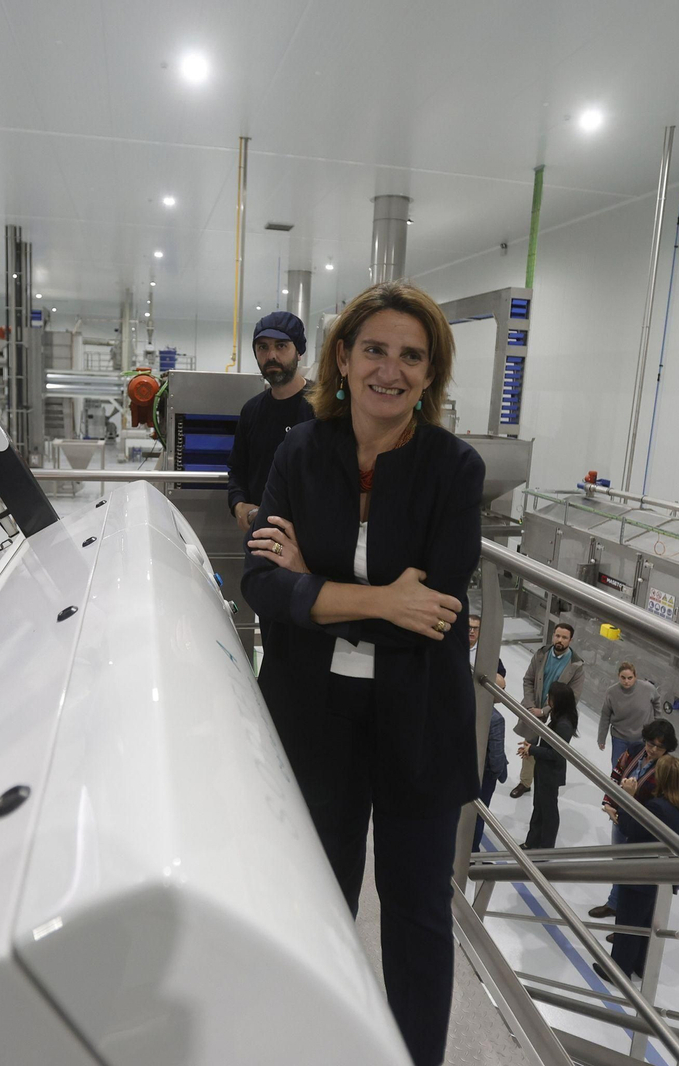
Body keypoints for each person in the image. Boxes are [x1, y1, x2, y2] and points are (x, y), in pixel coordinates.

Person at [241, 280, 484, 1066]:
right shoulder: (299, 451)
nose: (392, 369)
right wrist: (381, 599)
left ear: (431, 374)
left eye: (412, 356)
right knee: (316, 901)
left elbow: (436, 613)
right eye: (374, 349)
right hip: (313, 713)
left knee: (417, 915)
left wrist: (312, 585)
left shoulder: (455, 468)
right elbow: (261, 586)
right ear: (342, 358)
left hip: (419, 715)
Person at [226, 311, 315, 534]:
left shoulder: (324, 406)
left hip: (311, 540)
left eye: (281, 346)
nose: (271, 355)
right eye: (263, 347)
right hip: (261, 536)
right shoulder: (252, 410)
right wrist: (239, 505)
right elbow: (237, 470)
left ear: (299, 352)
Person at [609, 754, 679, 980]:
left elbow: (630, 828)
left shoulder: (658, 807)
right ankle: (640, 965)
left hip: (642, 875)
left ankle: (618, 971)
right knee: (647, 923)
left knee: (628, 923)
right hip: (664, 876)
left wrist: (627, 798)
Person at [591, 719, 679, 920]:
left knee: (634, 873)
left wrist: (631, 797)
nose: (653, 750)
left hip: (642, 827)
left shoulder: (667, 768)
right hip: (620, 817)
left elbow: (661, 804)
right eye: (651, 744)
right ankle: (614, 903)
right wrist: (608, 803)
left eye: (659, 747)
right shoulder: (636, 749)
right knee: (618, 864)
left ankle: (626, 916)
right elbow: (616, 774)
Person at [511, 622, 584, 798]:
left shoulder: (576, 666)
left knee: (548, 750)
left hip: (555, 716)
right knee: (529, 745)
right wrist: (530, 706)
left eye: (564, 637)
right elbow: (528, 680)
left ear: (570, 640)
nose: (560, 640)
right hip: (532, 709)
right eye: (557, 636)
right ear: (553, 636)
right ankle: (525, 782)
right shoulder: (541, 654)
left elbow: (573, 697)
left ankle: (543, 784)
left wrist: (544, 711)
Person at [518, 681, 579, 850]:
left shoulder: (564, 725)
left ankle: (545, 847)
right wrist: (532, 748)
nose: (547, 699)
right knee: (539, 807)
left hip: (550, 773)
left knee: (548, 810)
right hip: (544, 769)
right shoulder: (558, 717)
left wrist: (533, 750)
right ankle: (532, 841)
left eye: (550, 696)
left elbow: (555, 754)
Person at [468, 615, 509, 851]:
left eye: (476, 628)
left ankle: (470, 849)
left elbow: (501, 685)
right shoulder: (455, 652)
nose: (472, 632)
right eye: (469, 628)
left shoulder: (489, 655)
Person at [597, 662, 660, 769]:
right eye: (623, 678)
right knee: (617, 767)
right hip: (619, 737)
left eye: (630, 678)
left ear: (635, 676)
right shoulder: (611, 692)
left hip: (642, 738)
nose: (626, 681)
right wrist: (601, 738)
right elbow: (605, 716)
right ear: (618, 676)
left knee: (637, 768)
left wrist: (656, 725)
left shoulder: (648, 689)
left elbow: (657, 702)